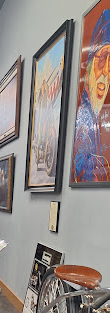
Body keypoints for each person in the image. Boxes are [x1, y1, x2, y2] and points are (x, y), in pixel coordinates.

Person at [72, 9, 110, 183]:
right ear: (88, 67)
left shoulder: (100, 119)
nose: (106, 72)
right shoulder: (83, 123)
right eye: (102, 58)